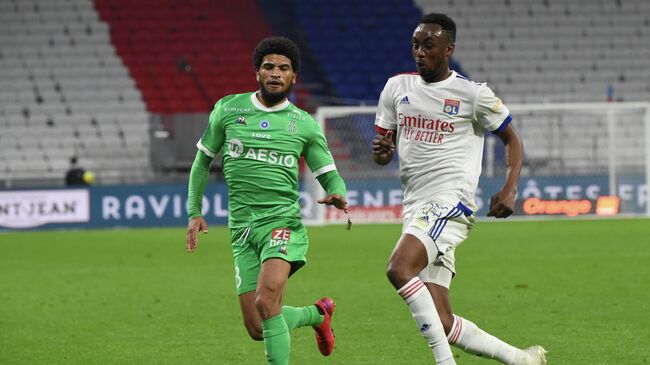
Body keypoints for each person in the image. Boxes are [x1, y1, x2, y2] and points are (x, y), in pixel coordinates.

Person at [372, 13, 546, 365]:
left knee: (398, 269)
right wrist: (384, 152)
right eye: (415, 46)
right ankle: (521, 359)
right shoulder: (396, 89)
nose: (419, 53)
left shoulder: (472, 94)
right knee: (442, 320)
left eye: (428, 46)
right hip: (416, 207)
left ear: (448, 49)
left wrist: (510, 187)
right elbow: (383, 151)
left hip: (451, 203)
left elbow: (512, 138)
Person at [185, 37, 348, 365]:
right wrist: (194, 211)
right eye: (269, 67)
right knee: (258, 325)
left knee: (266, 299)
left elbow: (330, 175)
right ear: (257, 72)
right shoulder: (228, 109)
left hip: (282, 223)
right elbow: (203, 160)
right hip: (242, 230)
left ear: (293, 77)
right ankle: (317, 315)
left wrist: (338, 193)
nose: (276, 73)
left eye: (283, 68)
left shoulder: (303, 124)